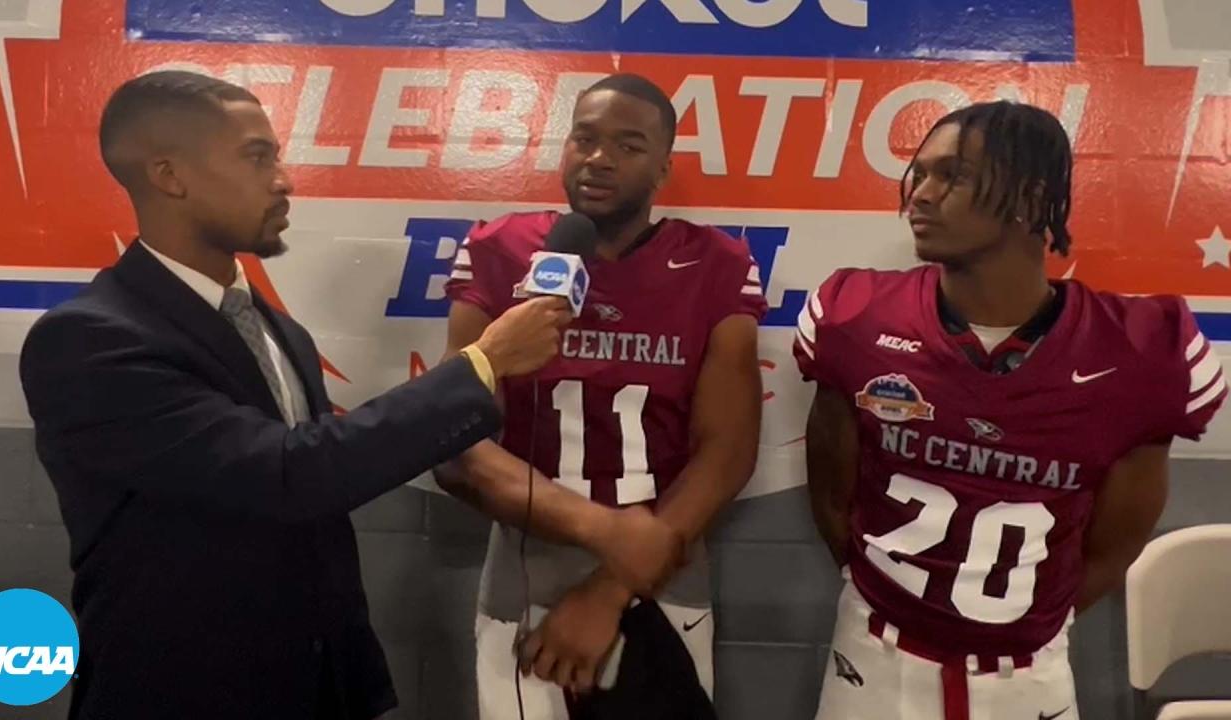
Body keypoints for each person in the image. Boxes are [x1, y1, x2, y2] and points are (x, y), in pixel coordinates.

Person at [18, 70, 569, 720]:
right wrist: (484, 363)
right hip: (182, 696)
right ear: (170, 176)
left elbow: (317, 519)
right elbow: (288, 475)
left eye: (276, 157)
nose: (283, 181)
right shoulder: (90, 342)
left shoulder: (279, 330)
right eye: (257, 158)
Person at [796, 100, 1228, 720]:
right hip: (871, 653)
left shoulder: (1140, 351)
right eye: (921, 173)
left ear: (1030, 198)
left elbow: (1112, 548)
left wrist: (1024, 625)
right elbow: (833, 498)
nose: (922, 194)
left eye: (954, 176)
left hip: (1027, 676)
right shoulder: (856, 314)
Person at [434, 73, 768, 717]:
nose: (599, 158)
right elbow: (457, 441)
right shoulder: (500, 251)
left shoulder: (715, 264)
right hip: (528, 568)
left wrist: (614, 585)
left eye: (628, 145)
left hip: (662, 569)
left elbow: (727, 450)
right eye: (584, 138)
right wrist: (608, 534)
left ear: (663, 168)